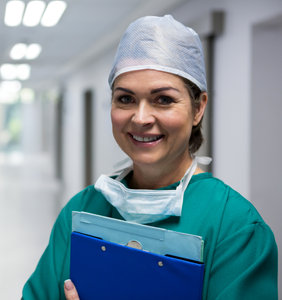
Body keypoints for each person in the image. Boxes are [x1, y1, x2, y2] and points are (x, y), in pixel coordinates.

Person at [22, 15, 278, 300]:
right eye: (125, 99)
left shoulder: (235, 227)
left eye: (163, 99)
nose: (141, 118)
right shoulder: (82, 210)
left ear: (198, 108)